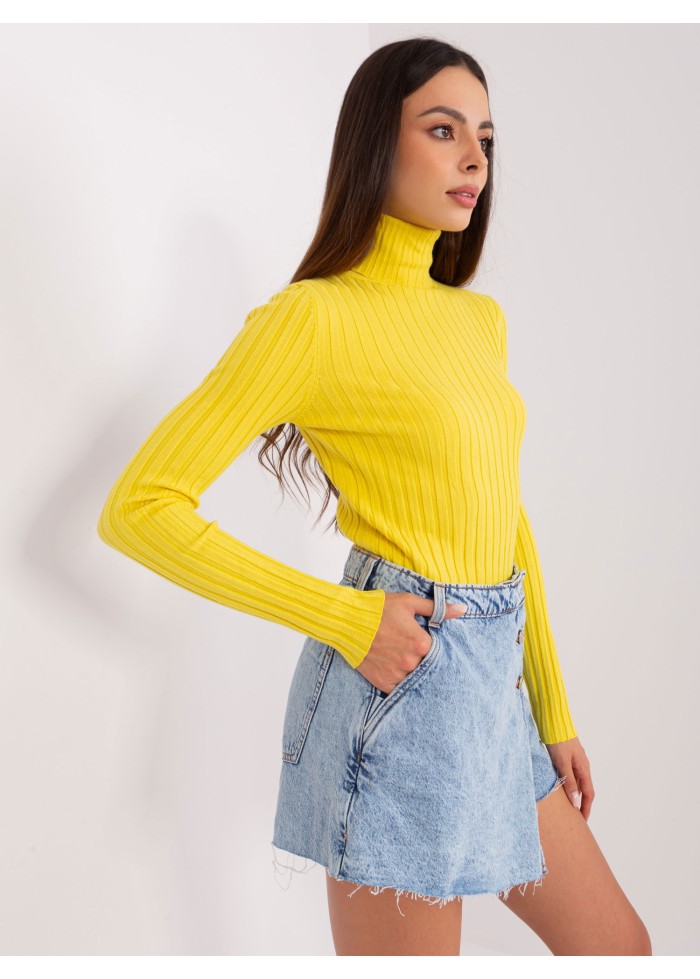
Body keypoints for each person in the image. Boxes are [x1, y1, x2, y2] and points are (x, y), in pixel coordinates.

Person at [98, 37, 652, 956]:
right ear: (375, 143)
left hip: (497, 691)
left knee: (619, 949)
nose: (474, 158)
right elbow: (139, 506)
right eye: (443, 130)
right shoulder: (313, 317)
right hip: (399, 684)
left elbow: (504, 512)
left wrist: (551, 711)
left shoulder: (477, 320)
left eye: (485, 137)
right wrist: (347, 619)